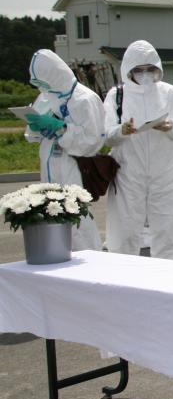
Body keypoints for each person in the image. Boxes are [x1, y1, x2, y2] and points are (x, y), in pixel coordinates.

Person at [102, 40, 173, 258]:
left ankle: (168, 270)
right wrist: (122, 131)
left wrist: (171, 126)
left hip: (165, 167)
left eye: (150, 69)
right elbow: (106, 133)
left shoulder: (170, 93)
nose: (145, 74)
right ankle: (123, 270)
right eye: (139, 70)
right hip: (128, 168)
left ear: (158, 68)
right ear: (128, 70)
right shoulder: (117, 96)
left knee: (168, 222)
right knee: (125, 224)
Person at [24, 49, 104, 251]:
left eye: (44, 80)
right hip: (49, 165)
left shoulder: (84, 99)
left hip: (73, 167)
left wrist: (62, 129)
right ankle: (59, 257)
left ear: (55, 74)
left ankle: (90, 260)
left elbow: (92, 141)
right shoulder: (45, 97)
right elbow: (31, 135)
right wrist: (37, 127)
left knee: (77, 218)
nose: (42, 86)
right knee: (52, 214)